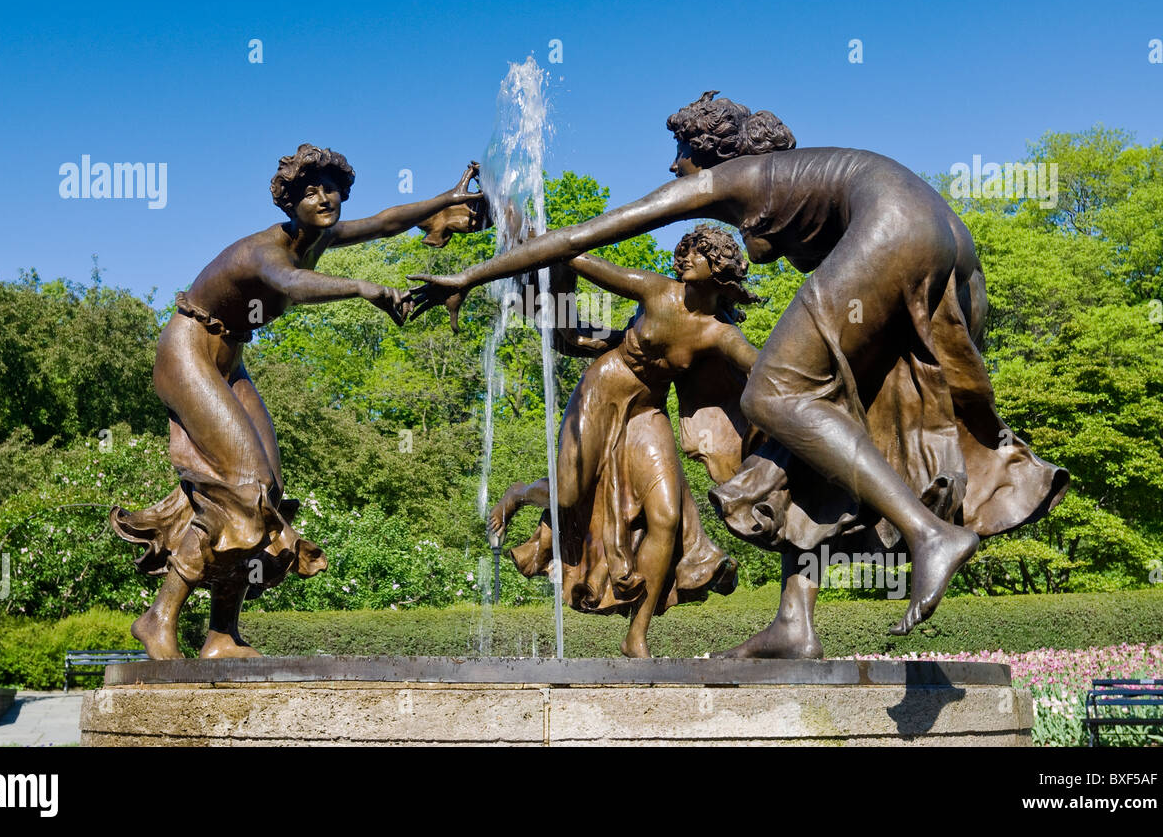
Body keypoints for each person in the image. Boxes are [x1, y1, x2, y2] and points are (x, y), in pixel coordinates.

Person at [412, 93, 1069, 642]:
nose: (676, 168)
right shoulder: (797, 177)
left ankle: (928, 534)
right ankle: (794, 620)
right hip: (950, 242)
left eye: (684, 156)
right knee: (804, 434)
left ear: (715, 157)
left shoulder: (736, 177)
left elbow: (586, 237)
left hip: (899, 229)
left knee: (772, 395)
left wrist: (467, 274)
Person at [111, 144, 486, 659]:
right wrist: (363, 288)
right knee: (241, 487)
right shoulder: (266, 251)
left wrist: (444, 198)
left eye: (331, 188)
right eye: (309, 191)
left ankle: (221, 635)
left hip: (228, 359)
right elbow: (292, 284)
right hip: (187, 353)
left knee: (265, 493)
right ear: (289, 202)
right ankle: (159, 618)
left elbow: (384, 222)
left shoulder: (322, 236)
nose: (323, 197)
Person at [487, 226, 755, 657]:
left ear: (718, 267)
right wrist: (536, 237)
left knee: (667, 515)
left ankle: (637, 635)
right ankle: (520, 493)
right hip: (603, 391)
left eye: (696, 252)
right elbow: (579, 258)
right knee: (570, 492)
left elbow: (759, 367)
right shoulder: (657, 291)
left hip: (648, 411)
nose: (683, 257)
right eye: (683, 250)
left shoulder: (719, 333)